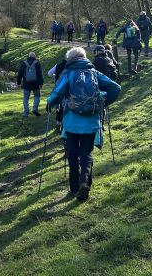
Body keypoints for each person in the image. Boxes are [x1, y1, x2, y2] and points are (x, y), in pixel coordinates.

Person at [46, 47, 121, 201]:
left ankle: (74, 189)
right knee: (86, 153)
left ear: (71, 59)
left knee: (73, 153)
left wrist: (50, 102)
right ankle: (84, 182)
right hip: (91, 120)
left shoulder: (69, 72)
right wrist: (104, 101)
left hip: (72, 122)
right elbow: (115, 87)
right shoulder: (94, 72)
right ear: (84, 57)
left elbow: (58, 92)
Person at [17, 52, 44, 117]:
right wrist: (41, 83)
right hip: (36, 83)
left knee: (26, 98)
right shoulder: (37, 63)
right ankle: (35, 109)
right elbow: (40, 74)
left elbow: (20, 73)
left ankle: (26, 113)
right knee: (37, 96)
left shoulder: (24, 63)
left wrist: (18, 82)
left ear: (28, 56)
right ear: (35, 57)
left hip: (26, 83)